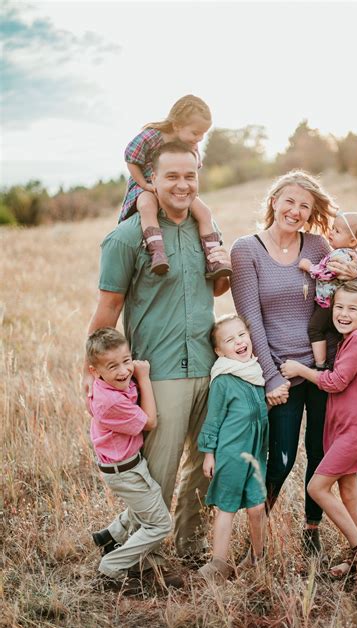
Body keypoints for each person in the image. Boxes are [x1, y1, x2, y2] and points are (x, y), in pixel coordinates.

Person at [83, 140, 232, 568]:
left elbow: (214, 288)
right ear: (151, 179)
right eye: (172, 176)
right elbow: (107, 310)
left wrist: (226, 262)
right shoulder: (127, 238)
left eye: (190, 175)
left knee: (206, 467)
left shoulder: (206, 227)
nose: (182, 185)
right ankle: (135, 560)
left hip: (208, 363)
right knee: (157, 478)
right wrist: (89, 373)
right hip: (160, 372)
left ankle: (189, 547)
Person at [230, 170, 357, 555]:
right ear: (273, 201)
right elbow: (250, 319)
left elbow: (350, 296)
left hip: (323, 372)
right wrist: (270, 377)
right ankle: (257, 528)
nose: (296, 210)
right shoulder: (246, 249)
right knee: (281, 459)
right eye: (289, 201)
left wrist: (356, 271)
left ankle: (311, 528)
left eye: (304, 205)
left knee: (319, 456)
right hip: (282, 376)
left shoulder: (318, 246)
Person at [281, 281, 357, 577]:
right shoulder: (355, 339)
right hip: (349, 429)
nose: (343, 313)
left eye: (352, 309)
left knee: (316, 487)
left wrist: (300, 370)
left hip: (353, 431)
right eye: (338, 307)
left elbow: (335, 381)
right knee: (349, 491)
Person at [86, 327, 179, 595]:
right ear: (95, 371)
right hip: (125, 470)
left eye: (127, 361)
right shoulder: (111, 402)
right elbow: (150, 422)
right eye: (112, 366)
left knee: (145, 504)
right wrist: (144, 378)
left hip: (125, 465)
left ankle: (110, 536)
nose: (124, 371)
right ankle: (111, 565)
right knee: (160, 523)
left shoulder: (108, 386)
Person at [119, 94, 231, 279]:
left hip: (176, 187)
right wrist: (144, 184)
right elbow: (131, 158)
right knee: (147, 206)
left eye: (203, 134)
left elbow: (193, 169)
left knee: (204, 212)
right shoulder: (151, 136)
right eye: (195, 133)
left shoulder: (190, 145)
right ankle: (157, 252)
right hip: (146, 184)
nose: (199, 139)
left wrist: (188, 191)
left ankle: (214, 260)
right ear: (177, 125)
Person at [196, 315, 269, 583]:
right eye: (230, 340)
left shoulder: (255, 371)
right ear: (219, 351)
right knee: (225, 507)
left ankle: (257, 558)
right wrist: (208, 454)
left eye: (242, 335)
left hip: (256, 454)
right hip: (230, 454)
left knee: (257, 507)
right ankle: (219, 562)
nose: (239, 342)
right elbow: (213, 420)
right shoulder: (224, 379)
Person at [299, 211, 357, 369]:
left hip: (330, 304)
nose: (331, 233)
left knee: (315, 329)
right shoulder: (350, 254)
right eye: (332, 228)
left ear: (352, 241)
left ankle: (320, 364)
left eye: (337, 231)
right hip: (335, 302)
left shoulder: (341, 256)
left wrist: (309, 267)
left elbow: (327, 273)